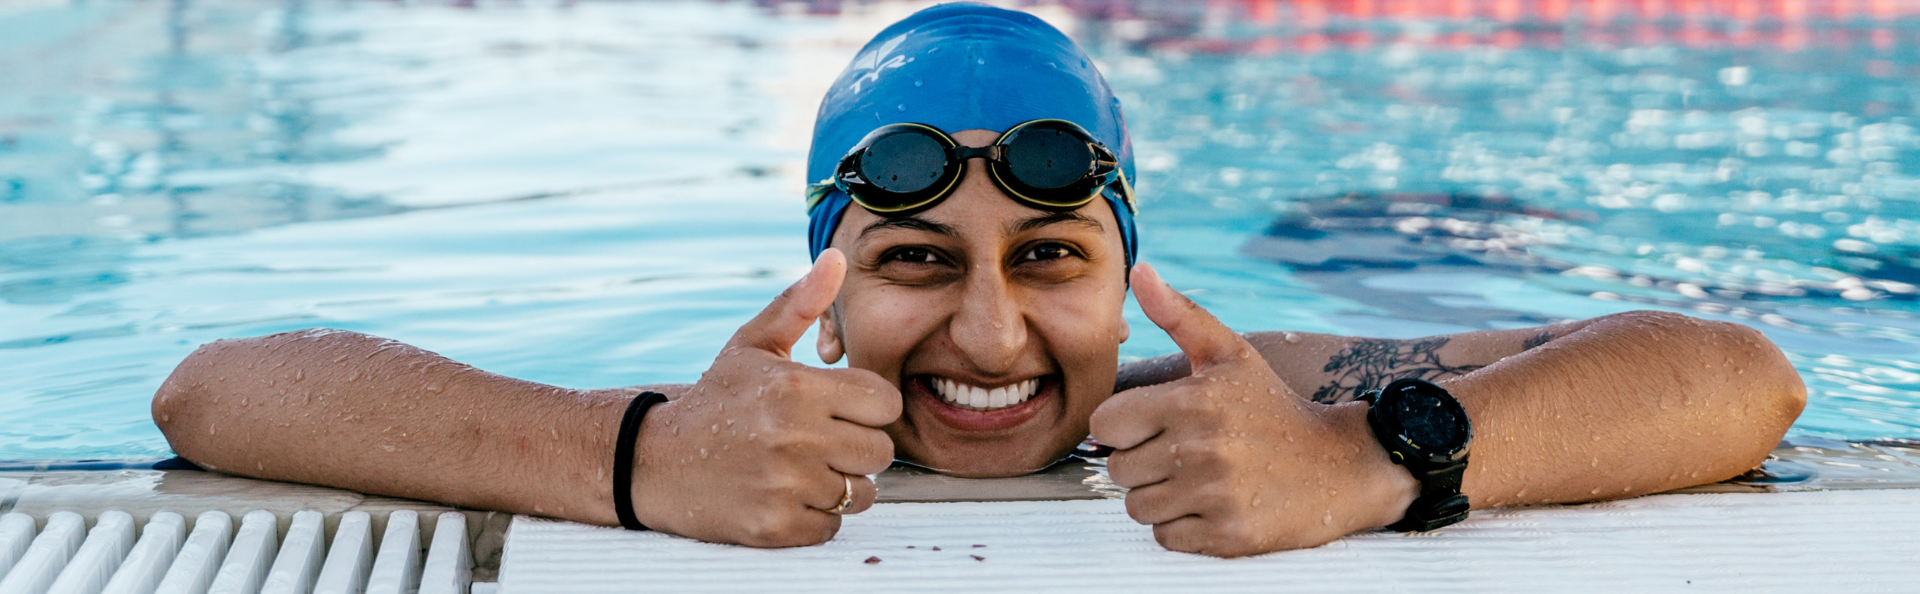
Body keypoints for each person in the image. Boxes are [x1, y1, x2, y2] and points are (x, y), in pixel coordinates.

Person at [150, 3, 1806, 558]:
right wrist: (642, 457)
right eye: (917, 263)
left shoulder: (1252, 392)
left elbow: (1742, 376)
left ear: (1133, 272)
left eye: (1056, 261)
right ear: (826, 279)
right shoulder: (730, 418)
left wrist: (1369, 465)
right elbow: (212, 386)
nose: (993, 331)